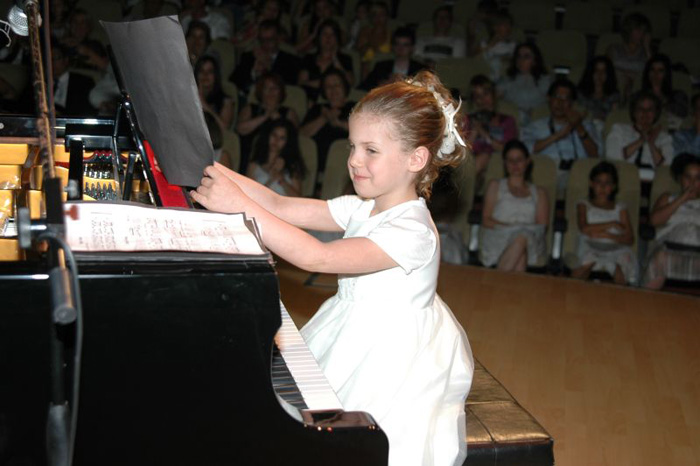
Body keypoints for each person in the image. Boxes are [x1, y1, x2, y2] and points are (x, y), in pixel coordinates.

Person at [191, 70, 474, 466]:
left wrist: (236, 205)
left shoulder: (413, 231)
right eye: (352, 146)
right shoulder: (363, 207)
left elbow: (317, 257)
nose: (355, 160)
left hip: (390, 353)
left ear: (416, 158)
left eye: (370, 150)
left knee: (344, 448)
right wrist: (207, 168)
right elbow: (278, 204)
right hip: (351, 324)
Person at [520, 78, 601, 196]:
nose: (560, 102)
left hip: (578, 173)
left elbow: (596, 155)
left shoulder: (586, 126)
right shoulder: (536, 126)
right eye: (556, 97)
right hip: (548, 173)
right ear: (549, 98)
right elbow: (525, 150)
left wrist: (578, 127)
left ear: (572, 103)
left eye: (565, 98)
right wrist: (557, 135)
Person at [480, 139, 549, 272]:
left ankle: (495, 280)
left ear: (527, 161)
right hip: (499, 236)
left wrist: (520, 230)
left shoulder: (540, 192)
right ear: (505, 163)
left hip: (530, 240)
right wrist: (513, 228)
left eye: (519, 160)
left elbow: (542, 226)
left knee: (522, 237)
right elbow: (486, 220)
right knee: (520, 246)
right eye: (510, 160)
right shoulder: (495, 185)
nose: (515, 164)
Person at [572, 161, 637, 285]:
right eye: (598, 182)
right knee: (587, 261)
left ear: (614, 186)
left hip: (615, 246)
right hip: (590, 244)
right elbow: (584, 228)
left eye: (607, 183)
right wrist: (612, 224)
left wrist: (607, 235)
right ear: (591, 183)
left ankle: (620, 294)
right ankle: (572, 290)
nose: (602, 187)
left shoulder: (620, 208)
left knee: (620, 265)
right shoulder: (584, 204)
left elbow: (629, 239)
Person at [643, 154, 700, 289]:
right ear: (680, 179)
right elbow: (654, 221)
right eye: (688, 177)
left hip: (698, 253)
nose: (692, 183)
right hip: (670, 250)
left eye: (698, 178)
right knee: (660, 258)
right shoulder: (668, 198)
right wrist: (681, 199)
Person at [236, 72, 299, 174]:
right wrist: (265, 116)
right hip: (249, 158)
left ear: (281, 91)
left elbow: (293, 138)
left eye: (275, 88)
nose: (271, 92)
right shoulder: (250, 108)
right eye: (266, 88)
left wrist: (276, 116)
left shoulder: (289, 112)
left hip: (279, 160)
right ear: (261, 91)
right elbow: (240, 129)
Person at [300, 69, 355, 183]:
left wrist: (339, 123)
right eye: (328, 86)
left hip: (343, 164)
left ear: (344, 87)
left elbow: (365, 132)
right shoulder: (318, 109)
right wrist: (324, 118)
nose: (333, 89)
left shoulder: (355, 107)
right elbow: (302, 134)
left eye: (337, 85)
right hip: (314, 163)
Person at [605, 90, 673, 180]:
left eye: (650, 109)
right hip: (624, 179)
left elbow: (667, 168)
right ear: (634, 112)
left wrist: (651, 143)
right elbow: (612, 158)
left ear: (656, 113)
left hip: (653, 183)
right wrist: (642, 140)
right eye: (640, 109)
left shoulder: (664, 138)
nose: (645, 113)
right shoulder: (619, 130)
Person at [466, 74, 517, 181]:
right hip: (472, 162)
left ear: (493, 94)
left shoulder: (507, 121)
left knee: (485, 157)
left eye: (486, 94)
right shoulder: (469, 120)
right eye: (477, 96)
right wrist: (475, 131)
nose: (482, 99)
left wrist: (484, 133)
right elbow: (463, 151)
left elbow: (508, 150)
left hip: (498, 163)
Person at [230, 20, 300, 96]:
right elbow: (233, 81)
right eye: (262, 40)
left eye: (270, 40)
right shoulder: (248, 56)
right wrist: (253, 73)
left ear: (278, 39)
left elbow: (289, 86)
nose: (265, 44)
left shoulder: (290, 60)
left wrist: (269, 69)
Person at [298, 19, 354, 102]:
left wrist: (335, 60)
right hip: (308, 99)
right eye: (325, 34)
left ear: (337, 38)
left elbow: (350, 82)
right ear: (319, 37)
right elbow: (301, 83)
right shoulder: (309, 58)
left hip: (334, 99)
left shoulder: (345, 59)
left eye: (332, 34)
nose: (328, 38)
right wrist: (323, 84)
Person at [246, 118, 306, 197]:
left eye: (282, 138)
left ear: (287, 142)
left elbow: (298, 198)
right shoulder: (253, 166)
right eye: (274, 135)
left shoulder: (292, 167)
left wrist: (282, 180)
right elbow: (250, 195)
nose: (276, 140)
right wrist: (272, 179)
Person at [497, 42, 551, 126]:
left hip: (538, 121)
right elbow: (495, 98)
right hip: (513, 121)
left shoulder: (545, 80)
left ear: (535, 61)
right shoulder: (507, 80)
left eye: (526, 57)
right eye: (519, 56)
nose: (521, 60)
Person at [359, 27, 425, 91]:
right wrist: (386, 83)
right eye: (397, 44)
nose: (401, 48)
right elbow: (364, 88)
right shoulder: (381, 66)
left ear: (412, 48)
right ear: (392, 46)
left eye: (405, 45)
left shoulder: (420, 69)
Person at [607, 12, 652, 103]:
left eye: (644, 31)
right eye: (638, 30)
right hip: (616, 88)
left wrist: (647, 48)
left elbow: (653, 71)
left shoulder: (646, 53)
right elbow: (607, 70)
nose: (641, 34)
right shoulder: (614, 49)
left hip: (639, 92)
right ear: (629, 31)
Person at [638, 54, 689, 130]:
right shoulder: (639, 96)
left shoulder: (678, 96)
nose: (655, 74)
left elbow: (683, 114)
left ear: (666, 74)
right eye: (652, 69)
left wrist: (664, 101)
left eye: (660, 70)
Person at [194, 55, 235, 130]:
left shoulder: (226, 101)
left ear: (215, 75)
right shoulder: (189, 95)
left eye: (210, 71)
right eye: (201, 71)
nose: (205, 75)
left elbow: (224, 129)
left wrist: (205, 105)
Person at [474, 9, 516, 81]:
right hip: (486, 78)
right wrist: (491, 44)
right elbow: (475, 61)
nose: (508, 27)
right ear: (495, 27)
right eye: (505, 25)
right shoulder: (484, 44)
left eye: (509, 24)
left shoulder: (513, 45)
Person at [577, 56, 620, 123]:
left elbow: (613, 116)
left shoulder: (614, 96)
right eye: (596, 70)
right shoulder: (580, 93)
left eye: (604, 71)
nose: (599, 74)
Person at [355, 1, 392, 77]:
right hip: (366, 72)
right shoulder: (364, 32)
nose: (378, 18)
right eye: (374, 14)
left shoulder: (392, 35)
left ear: (387, 16)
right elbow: (359, 52)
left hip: (385, 72)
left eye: (381, 14)